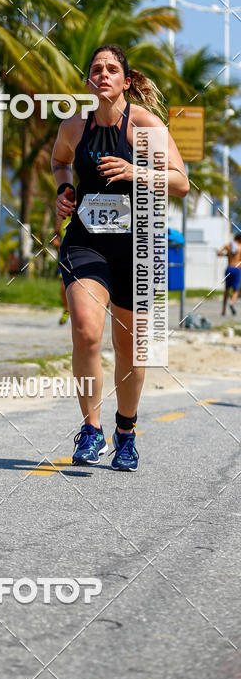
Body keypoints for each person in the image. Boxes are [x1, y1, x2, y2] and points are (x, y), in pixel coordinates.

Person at [51, 44, 189, 471]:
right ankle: (90, 430)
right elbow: (60, 162)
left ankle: (125, 432)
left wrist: (136, 172)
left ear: (126, 81)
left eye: (112, 69)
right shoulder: (75, 127)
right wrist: (64, 189)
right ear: (88, 80)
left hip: (139, 245)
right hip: (86, 242)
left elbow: (181, 182)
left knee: (132, 346)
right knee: (87, 331)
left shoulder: (145, 125)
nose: (104, 75)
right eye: (96, 69)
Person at [217, 233, 241, 315]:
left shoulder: (228, 245)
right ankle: (231, 303)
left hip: (229, 268)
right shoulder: (240, 247)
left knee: (226, 290)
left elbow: (219, 253)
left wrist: (227, 254)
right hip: (237, 269)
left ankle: (223, 310)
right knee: (236, 290)